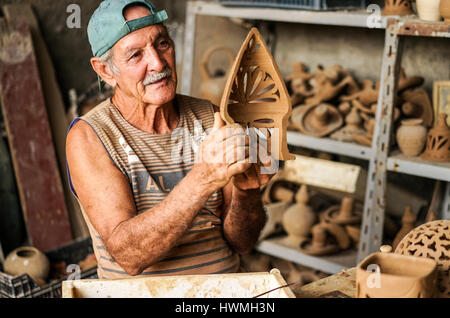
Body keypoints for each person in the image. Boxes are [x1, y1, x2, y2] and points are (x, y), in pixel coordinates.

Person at [66, 0, 273, 279]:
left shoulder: (209, 116)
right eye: (136, 55)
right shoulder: (90, 136)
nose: (158, 63)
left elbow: (242, 242)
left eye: (162, 43)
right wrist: (204, 178)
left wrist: (247, 192)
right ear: (105, 71)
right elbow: (130, 256)